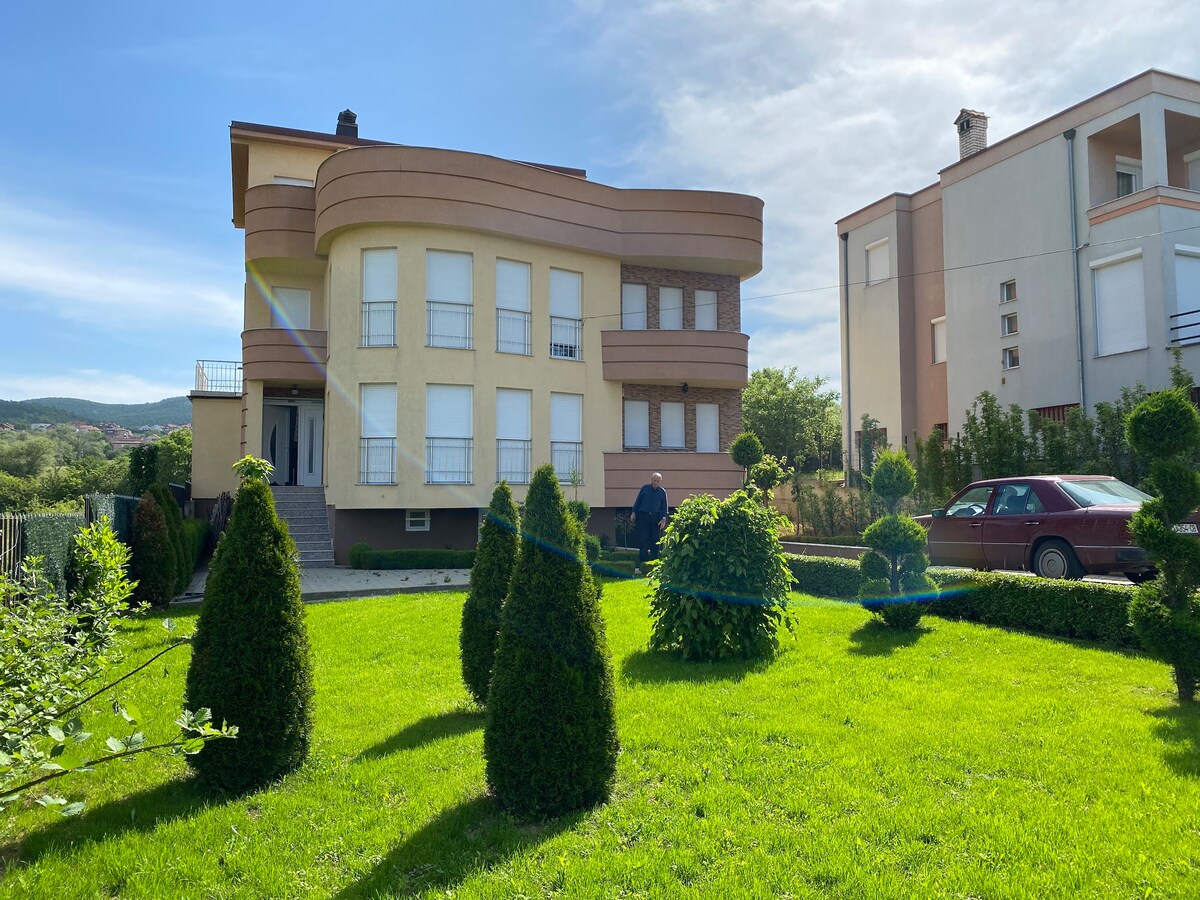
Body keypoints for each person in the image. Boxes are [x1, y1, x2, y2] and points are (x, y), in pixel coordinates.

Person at [630, 472, 668, 574]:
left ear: (660, 481)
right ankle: (643, 564)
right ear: (651, 480)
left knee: (655, 541)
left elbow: (665, 507)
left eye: (658, 481)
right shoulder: (644, 488)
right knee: (643, 540)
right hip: (643, 517)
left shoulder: (662, 492)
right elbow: (637, 502)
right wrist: (633, 513)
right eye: (654, 480)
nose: (656, 482)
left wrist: (664, 519)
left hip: (656, 519)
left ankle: (654, 566)